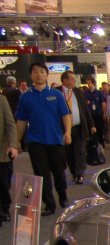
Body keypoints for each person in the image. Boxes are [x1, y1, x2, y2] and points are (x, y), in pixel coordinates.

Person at [15, 62, 71, 216]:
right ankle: (49, 204)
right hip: (35, 141)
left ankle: (63, 195)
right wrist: (16, 142)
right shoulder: (26, 97)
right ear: (30, 75)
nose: (38, 74)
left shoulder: (57, 94)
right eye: (35, 72)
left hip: (55, 140)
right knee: (42, 174)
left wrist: (68, 132)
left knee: (59, 172)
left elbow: (65, 115)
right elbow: (21, 121)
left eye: (41, 71)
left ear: (47, 75)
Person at [57, 71, 96, 184]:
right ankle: (74, 172)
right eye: (72, 79)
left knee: (80, 151)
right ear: (65, 80)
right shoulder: (57, 92)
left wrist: (91, 124)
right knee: (68, 153)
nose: (75, 81)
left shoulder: (78, 92)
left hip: (79, 127)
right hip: (64, 128)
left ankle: (80, 174)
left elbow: (85, 110)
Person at [0, 94, 18, 225]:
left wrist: (13, 145)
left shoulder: (2, 99)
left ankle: (5, 207)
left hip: (2, 149)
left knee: (3, 183)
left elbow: (10, 123)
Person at [83, 77, 107, 147]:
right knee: (92, 129)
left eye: (89, 82)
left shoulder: (99, 93)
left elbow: (103, 103)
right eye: (87, 83)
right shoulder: (85, 93)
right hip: (90, 114)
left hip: (98, 113)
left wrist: (104, 113)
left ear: (93, 83)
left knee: (100, 129)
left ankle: (101, 142)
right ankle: (93, 143)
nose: (88, 84)